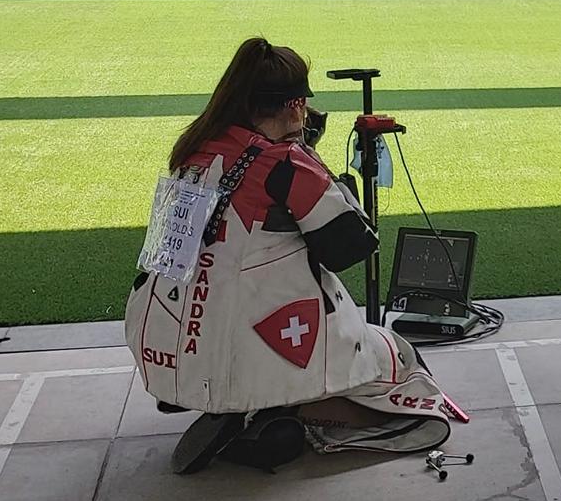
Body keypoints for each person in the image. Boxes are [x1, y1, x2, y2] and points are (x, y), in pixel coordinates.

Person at [125, 37, 454, 473]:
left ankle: (247, 405)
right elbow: (353, 245)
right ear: (295, 104)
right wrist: (313, 158)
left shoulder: (194, 150)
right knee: (395, 362)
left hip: (164, 349)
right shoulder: (284, 163)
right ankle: (278, 414)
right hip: (246, 349)